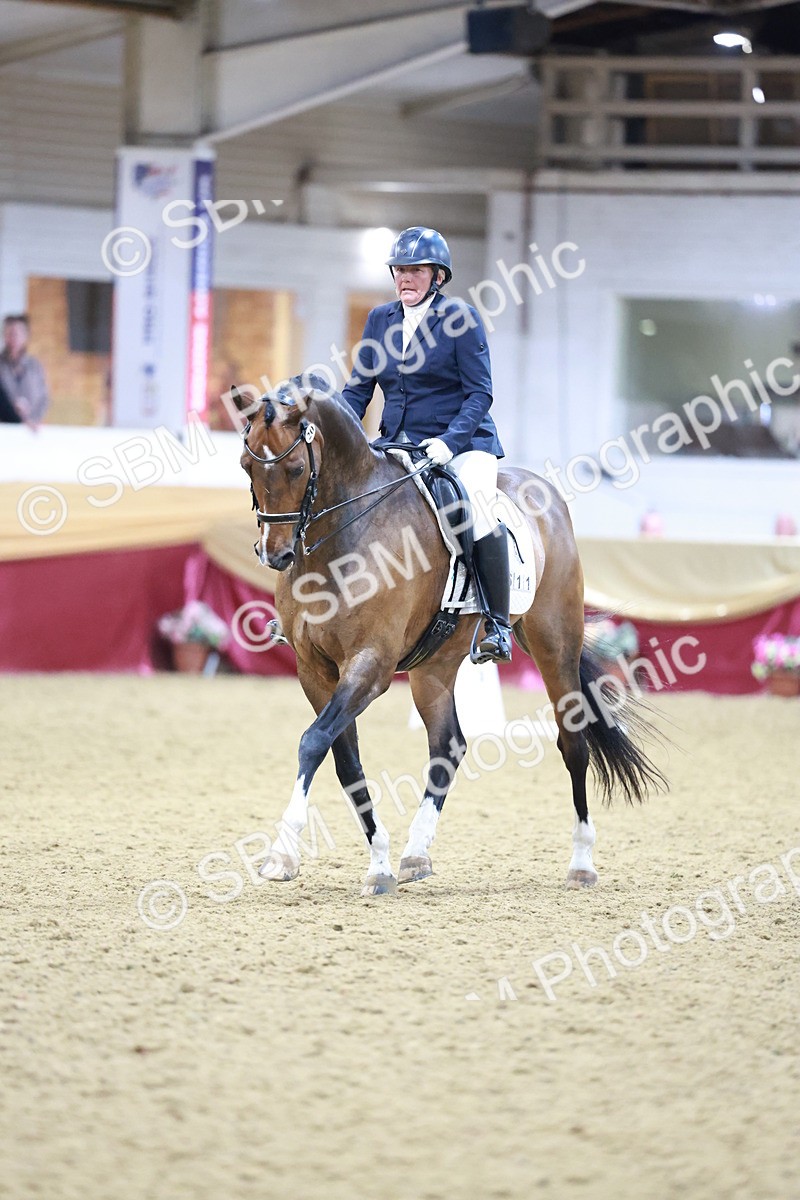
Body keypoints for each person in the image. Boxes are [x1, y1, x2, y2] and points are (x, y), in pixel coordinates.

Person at [342, 226, 512, 663]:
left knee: (476, 506)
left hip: (463, 441)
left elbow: (480, 393)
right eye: (399, 270)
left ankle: (497, 623)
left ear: (438, 276)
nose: (405, 278)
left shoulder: (462, 318)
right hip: (397, 443)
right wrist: (335, 430)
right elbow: (360, 389)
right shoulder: (380, 319)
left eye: (416, 270)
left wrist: (450, 443)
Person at [0, 314, 50, 426]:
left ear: (26, 336)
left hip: (30, 427)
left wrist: (33, 418)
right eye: (10, 333)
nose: (14, 337)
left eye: (18, 333)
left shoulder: (35, 366)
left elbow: (44, 399)